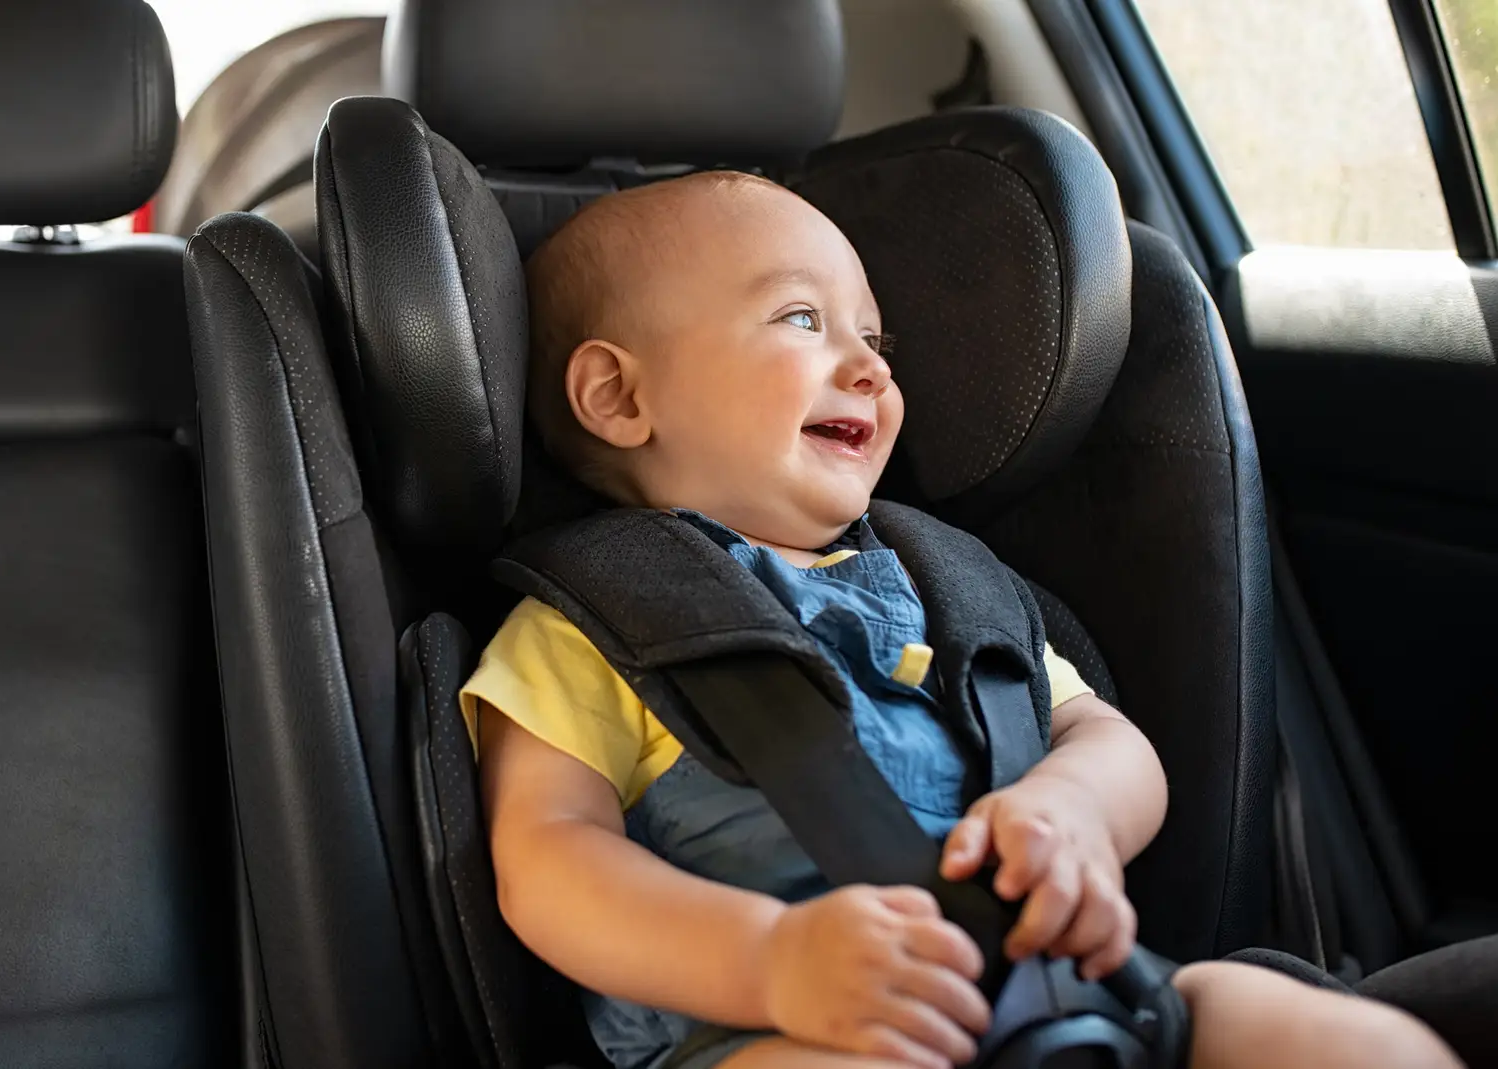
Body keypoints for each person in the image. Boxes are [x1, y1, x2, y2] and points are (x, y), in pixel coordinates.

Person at [459, 170, 1462, 1069]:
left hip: (1073, 992)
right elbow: (548, 857)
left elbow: (1102, 737)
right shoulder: (586, 629)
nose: (867, 364)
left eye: (874, 336)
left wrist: (1072, 810)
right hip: (782, 1030)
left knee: (1315, 1029)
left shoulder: (952, 588)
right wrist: (769, 962)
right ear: (616, 394)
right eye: (801, 319)